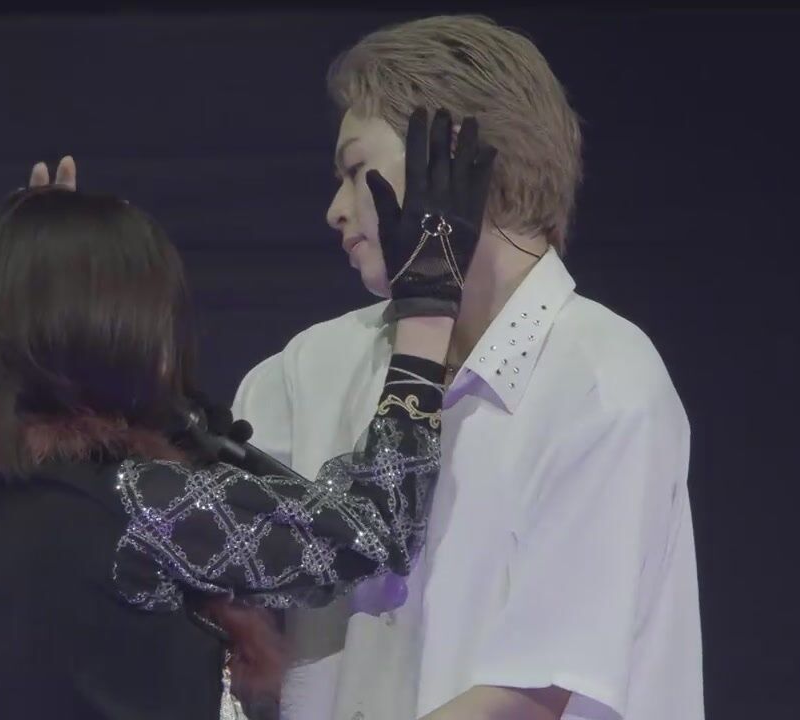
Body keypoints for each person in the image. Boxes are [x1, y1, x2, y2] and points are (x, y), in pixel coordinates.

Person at [0, 111, 497, 720]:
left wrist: (37, 267)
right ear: (115, 331)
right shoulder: (133, 504)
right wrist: (426, 309)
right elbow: (372, 531)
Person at [226, 14, 703, 720]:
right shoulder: (311, 368)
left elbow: (529, 695)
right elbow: (215, 589)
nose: (334, 210)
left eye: (356, 171)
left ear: (453, 156)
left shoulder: (601, 381)